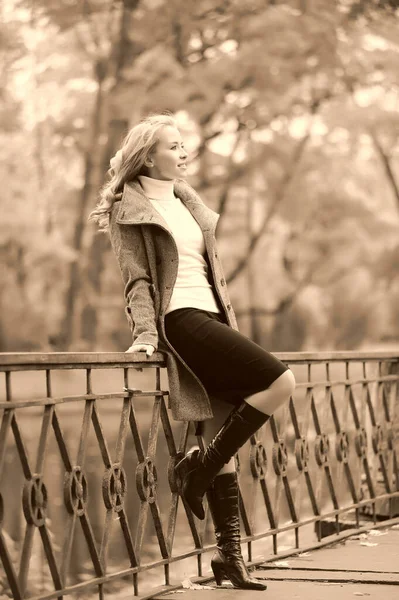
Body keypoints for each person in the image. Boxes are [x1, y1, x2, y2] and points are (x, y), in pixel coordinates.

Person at [89, 113, 295, 591]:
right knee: (280, 380)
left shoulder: (186, 200)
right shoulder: (129, 209)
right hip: (180, 320)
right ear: (148, 155)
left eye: (184, 146)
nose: (184, 153)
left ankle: (230, 558)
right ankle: (196, 469)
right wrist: (144, 333)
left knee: (221, 429)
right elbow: (137, 280)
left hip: (215, 317)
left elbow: (210, 270)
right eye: (174, 146)